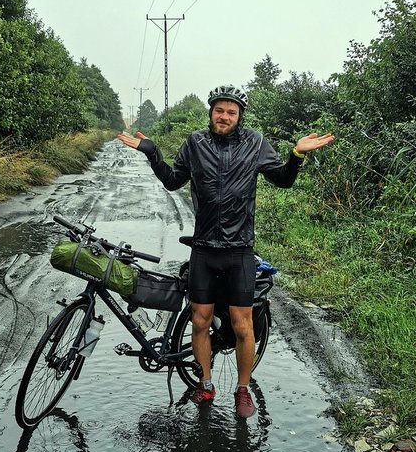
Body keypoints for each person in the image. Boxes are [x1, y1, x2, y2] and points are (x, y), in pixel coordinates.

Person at [117, 85, 334, 418]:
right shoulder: (195, 143)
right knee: (200, 321)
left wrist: (296, 155)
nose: (224, 116)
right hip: (204, 249)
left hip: (239, 251)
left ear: (239, 116)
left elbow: (283, 180)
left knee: (242, 325)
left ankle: (242, 389)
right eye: (220, 110)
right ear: (211, 112)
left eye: (231, 112)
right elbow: (174, 181)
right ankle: (205, 384)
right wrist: (152, 152)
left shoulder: (255, 143)